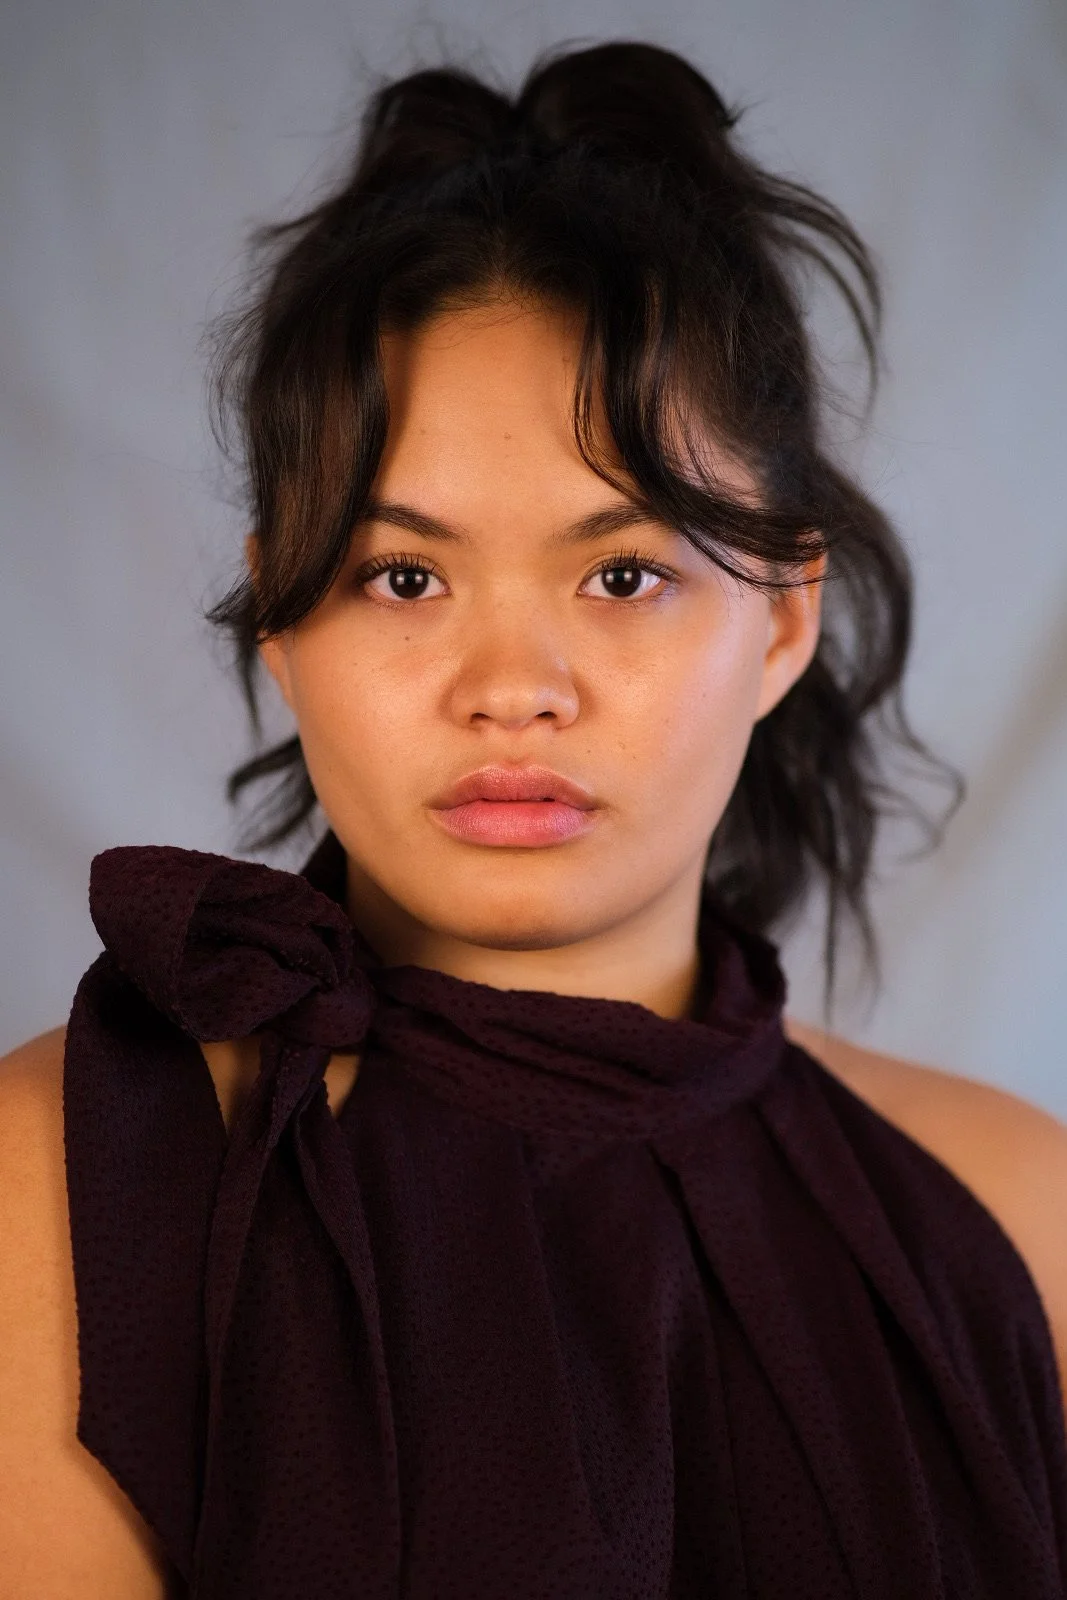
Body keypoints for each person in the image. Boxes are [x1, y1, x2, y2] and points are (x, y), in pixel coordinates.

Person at [1, 38, 1065, 1600]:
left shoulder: (1023, 1216)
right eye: (404, 576)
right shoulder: (55, 1186)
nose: (513, 689)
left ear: (780, 622)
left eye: (623, 573)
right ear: (281, 620)